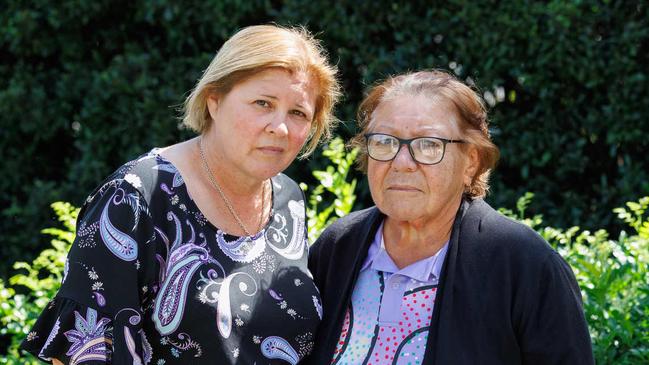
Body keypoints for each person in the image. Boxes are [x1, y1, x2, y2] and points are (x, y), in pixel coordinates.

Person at [21, 24, 340, 364]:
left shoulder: (289, 199)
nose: (280, 127)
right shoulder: (134, 198)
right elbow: (83, 351)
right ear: (214, 100)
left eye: (298, 113)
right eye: (263, 103)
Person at [305, 70, 594, 364]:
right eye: (384, 142)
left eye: (429, 144)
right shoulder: (337, 247)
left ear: (471, 162)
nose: (401, 163)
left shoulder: (524, 266)